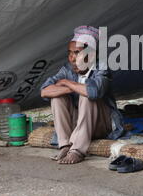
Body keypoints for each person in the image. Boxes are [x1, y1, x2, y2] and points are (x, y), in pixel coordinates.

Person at [40, 26, 124, 164]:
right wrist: (73, 88)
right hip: (77, 124)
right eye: (70, 53)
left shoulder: (101, 68)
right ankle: (66, 145)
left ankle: (77, 150)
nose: (72, 58)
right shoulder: (67, 69)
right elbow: (44, 91)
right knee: (57, 98)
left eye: (77, 53)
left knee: (87, 94)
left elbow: (94, 92)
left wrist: (66, 83)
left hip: (101, 124)